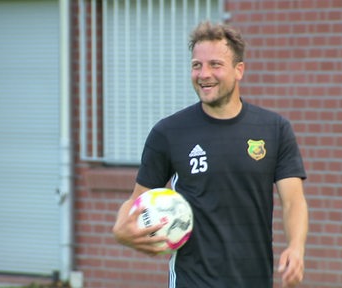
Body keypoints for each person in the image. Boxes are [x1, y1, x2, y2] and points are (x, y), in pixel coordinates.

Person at [112, 21, 308, 288]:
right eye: (196, 65)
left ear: (239, 70)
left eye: (215, 64)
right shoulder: (169, 132)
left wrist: (296, 248)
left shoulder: (273, 129)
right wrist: (122, 229)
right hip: (192, 280)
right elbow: (137, 200)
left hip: (254, 279)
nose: (204, 74)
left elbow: (293, 202)